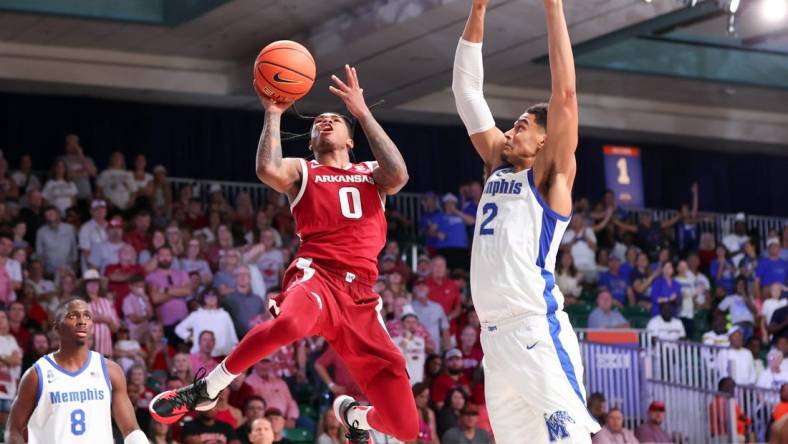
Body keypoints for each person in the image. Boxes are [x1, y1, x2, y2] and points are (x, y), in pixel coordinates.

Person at [151, 65, 416, 443]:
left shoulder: (371, 172)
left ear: (351, 139)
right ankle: (209, 388)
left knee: (405, 429)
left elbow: (400, 175)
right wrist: (273, 112)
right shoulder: (302, 170)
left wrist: (362, 112)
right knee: (291, 325)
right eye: (318, 121)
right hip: (318, 275)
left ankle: (354, 415)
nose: (325, 121)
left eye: (335, 120)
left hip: (361, 298)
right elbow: (267, 168)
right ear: (309, 141)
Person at [452, 0, 601, 440]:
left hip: (536, 329)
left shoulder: (550, 175)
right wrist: (478, 10)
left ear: (544, 139)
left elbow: (566, 95)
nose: (510, 131)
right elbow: (467, 92)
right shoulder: (497, 167)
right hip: (495, 341)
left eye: (521, 126)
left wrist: (552, 6)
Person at [5, 297, 147, 443]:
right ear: (56, 327)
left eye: (87, 316)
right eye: (73, 316)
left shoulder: (111, 371)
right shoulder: (36, 375)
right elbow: (13, 430)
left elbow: (130, 428)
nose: (82, 321)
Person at [176, 287, 238, 357]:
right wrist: (191, 337)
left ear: (218, 298)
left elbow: (233, 338)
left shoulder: (224, 315)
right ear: (203, 298)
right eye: (208, 296)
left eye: (213, 295)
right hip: (199, 356)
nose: (211, 298)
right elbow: (179, 329)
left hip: (220, 355)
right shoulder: (197, 315)